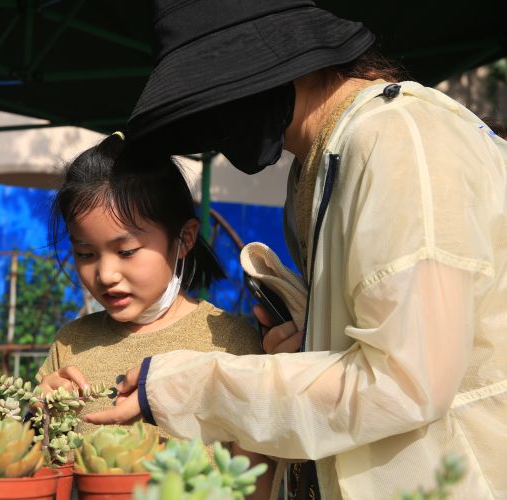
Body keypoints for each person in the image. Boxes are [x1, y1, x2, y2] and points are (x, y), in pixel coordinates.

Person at [82, 1, 507, 499]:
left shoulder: (399, 141)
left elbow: (405, 383)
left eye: (219, 90)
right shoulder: (320, 163)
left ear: (283, 57)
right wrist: (309, 347)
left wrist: (194, 385)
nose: (215, 128)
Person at [36, 132, 277, 497]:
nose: (105, 274)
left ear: (184, 239)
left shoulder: (229, 343)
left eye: (127, 251)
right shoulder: (70, 344)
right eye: (85, 253)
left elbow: (256, 485)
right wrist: (42, 414)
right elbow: (42, 471)